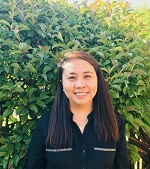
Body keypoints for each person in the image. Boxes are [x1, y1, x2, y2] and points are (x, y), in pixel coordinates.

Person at [25, 51, 130, 169]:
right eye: (71, 77)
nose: (80, 84)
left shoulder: (114, 122)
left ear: (98, 80)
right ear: (62, 82)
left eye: (87, 76)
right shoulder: (46, 123)